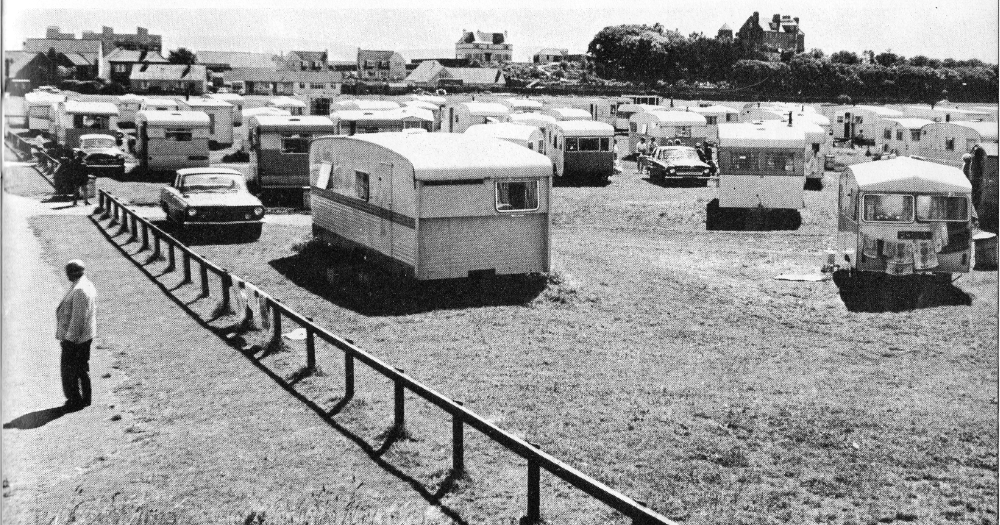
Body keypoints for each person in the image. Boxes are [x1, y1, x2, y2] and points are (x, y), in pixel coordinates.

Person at [56, 260, 97, 409]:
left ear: (72, 273)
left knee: (70, 370)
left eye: (68, 272)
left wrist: (69, 340)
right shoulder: (86, 284)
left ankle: (75, 400)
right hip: (84, 336)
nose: (67, 275)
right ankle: (85, 399)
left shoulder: (80, 290)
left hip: (76, 339)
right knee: (81, 368)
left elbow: (78, 318)